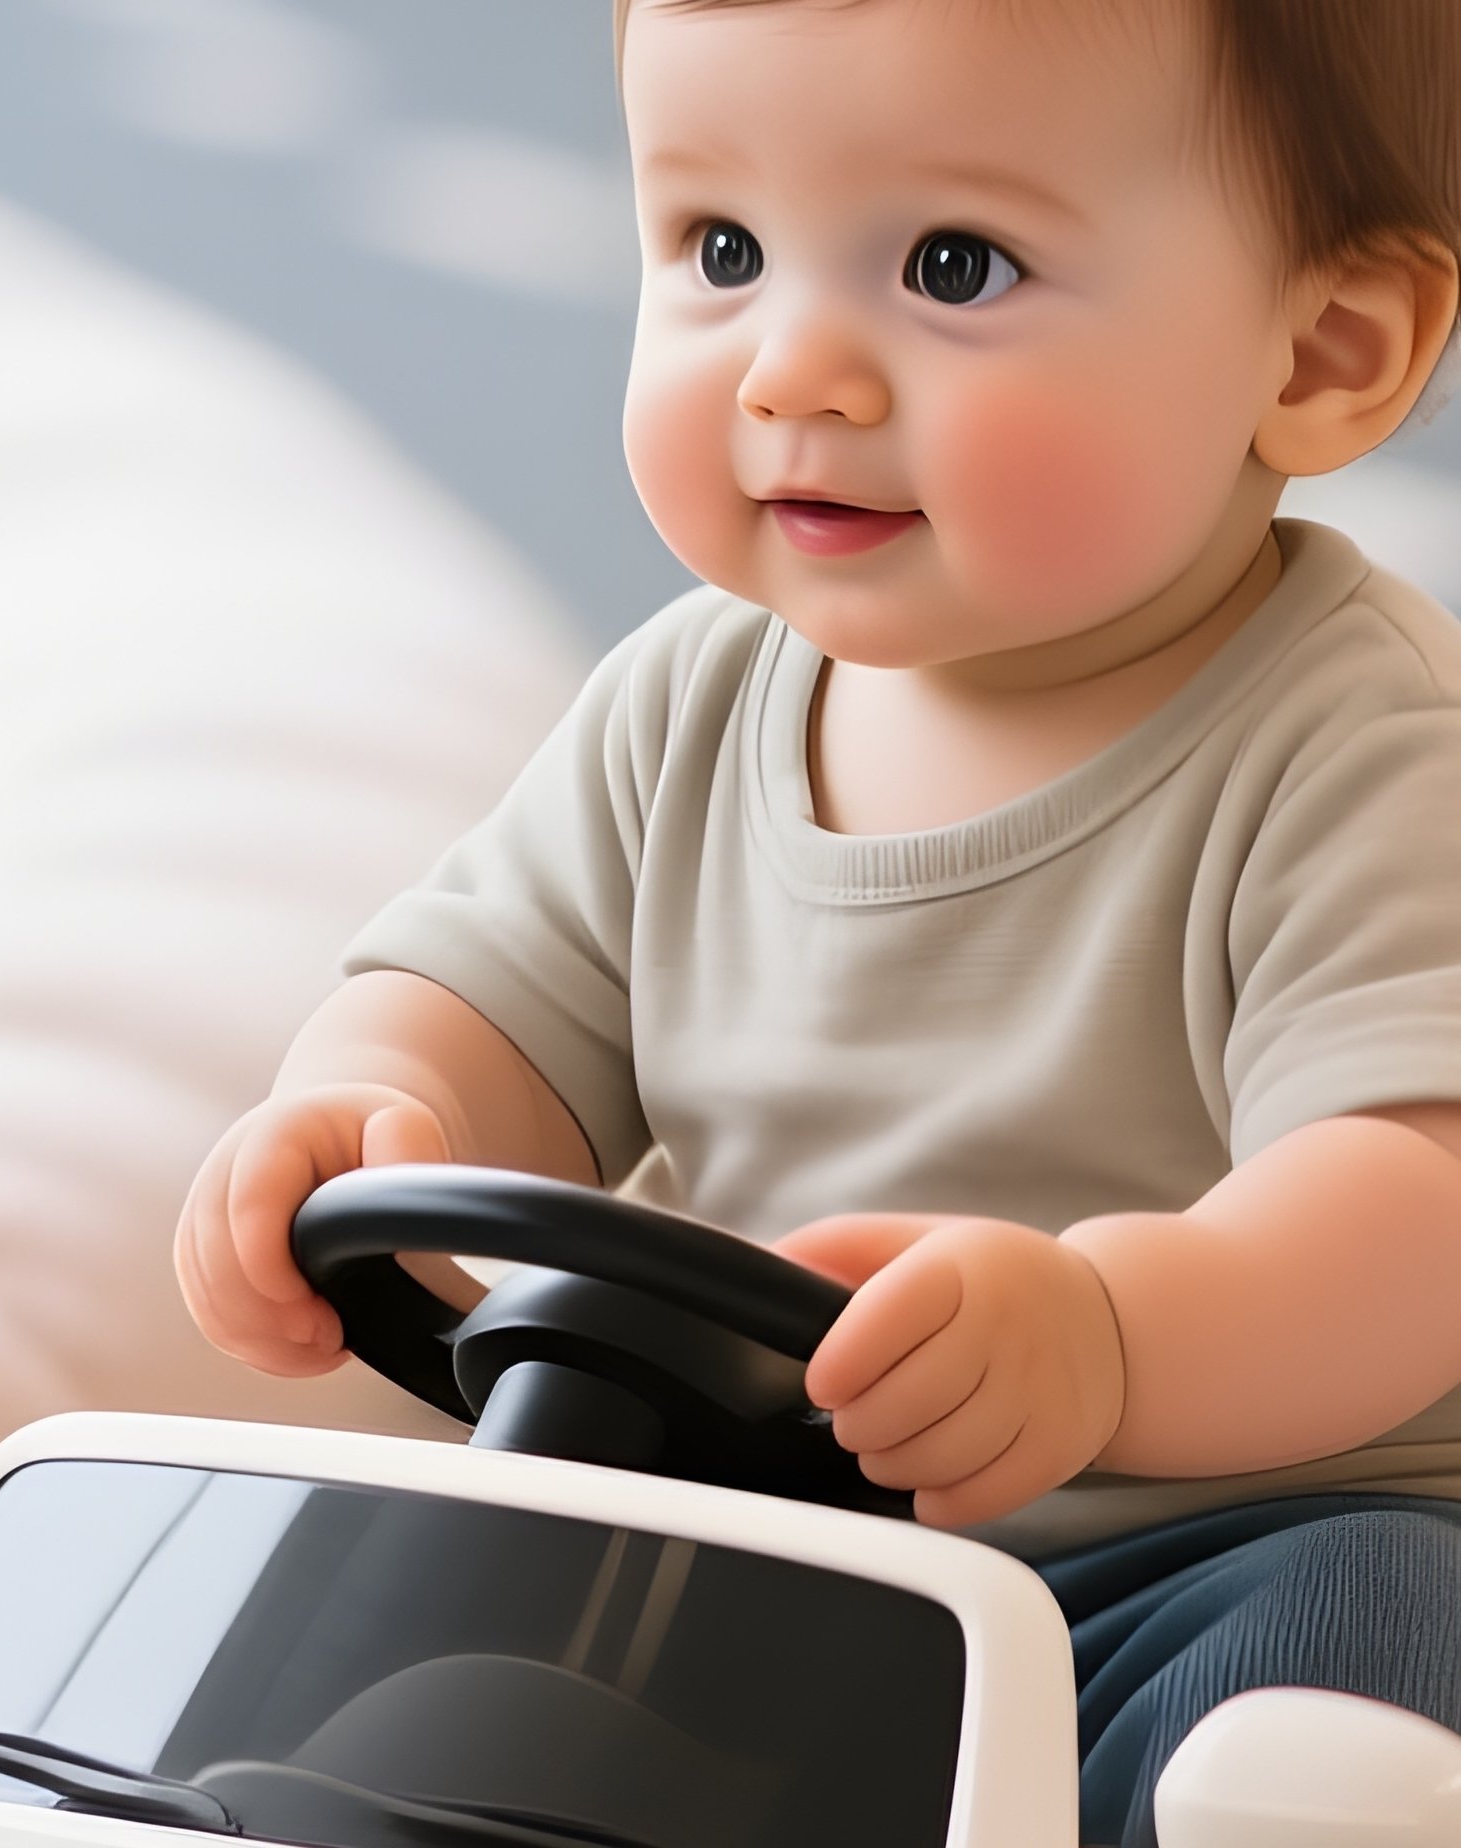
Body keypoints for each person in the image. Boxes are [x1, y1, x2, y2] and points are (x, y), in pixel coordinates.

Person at [174, 1, 1461, 1839]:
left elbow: (1410, 1214)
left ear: (1324, 351)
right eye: (721, 250)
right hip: (761, 1513)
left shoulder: (1364, 748)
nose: (796, 371)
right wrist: (371, 1113)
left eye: (955, 265)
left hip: (1193, 1544)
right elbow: (492, 1007)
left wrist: (1107, 1336)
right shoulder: (685, 698)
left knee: (1362, 1652)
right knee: (399, 1588)